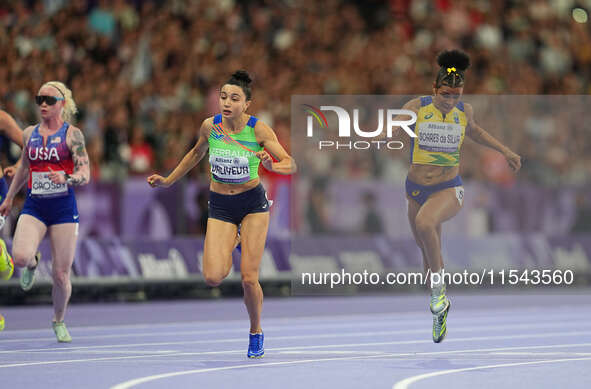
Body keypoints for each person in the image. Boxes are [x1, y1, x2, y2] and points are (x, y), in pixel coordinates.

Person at [148, 70, 296, 358]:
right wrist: (168, 180)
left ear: (247, 104)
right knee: (213, 276)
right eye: (223, 97)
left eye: (234, 98)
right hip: (221, 205)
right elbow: (194, 155)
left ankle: (255, 330)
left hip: (253, 205)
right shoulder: (210, 126)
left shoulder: (258, 131)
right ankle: (235, 238)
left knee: (249, 278)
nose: (227, 103)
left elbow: (290, 163)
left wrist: (274, 166)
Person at [390, 50, 521, 343]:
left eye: (456, 95)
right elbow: (394, 126)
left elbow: (475, 132)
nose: (450, 101)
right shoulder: (417, 107)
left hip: (449, 188)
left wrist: (506, 150)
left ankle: (439, 295)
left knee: (425, 224)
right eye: (445, 94)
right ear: (434, 90)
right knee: (426, 251)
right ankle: (439, 311)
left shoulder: (465, 111)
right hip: (414, 189)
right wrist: (387, 133)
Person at [0, 81, 90, 342]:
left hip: (63, 209)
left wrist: (67, 177)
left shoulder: (73, 135)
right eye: (40, 99)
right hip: (35, 206)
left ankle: (58, 320)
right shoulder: (30, 134)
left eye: (49, 100)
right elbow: (24, 168)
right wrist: (8, 197)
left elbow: (85, 174)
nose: (43, 104)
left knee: (61, 275)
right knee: (19, 257)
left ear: (62, 104)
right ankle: (33, 262)